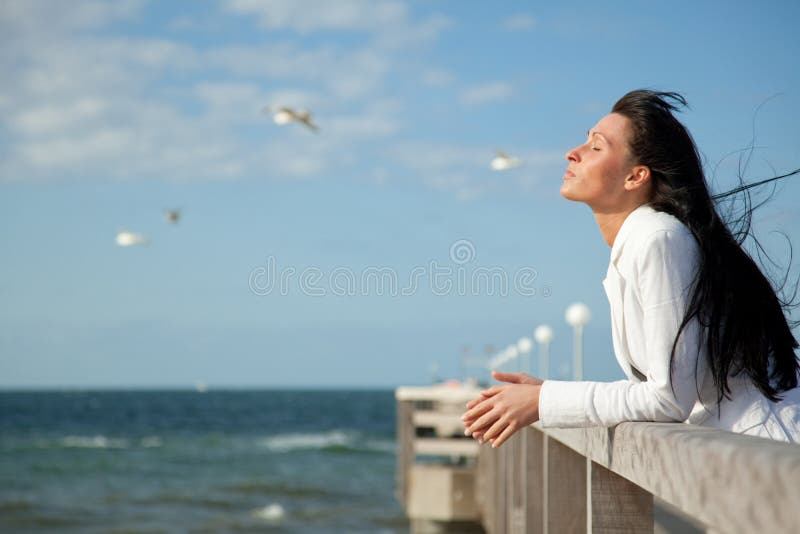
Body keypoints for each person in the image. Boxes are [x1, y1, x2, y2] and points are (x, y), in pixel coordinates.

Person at [462, 89, 800, 446]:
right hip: (744, 451)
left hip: (771, 457)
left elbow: (667, 398)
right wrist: (545, 392)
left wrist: (544, 402)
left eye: (596, 147)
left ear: (635, 177)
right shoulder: (643, 241)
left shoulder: (658, 239)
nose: (571, 153)